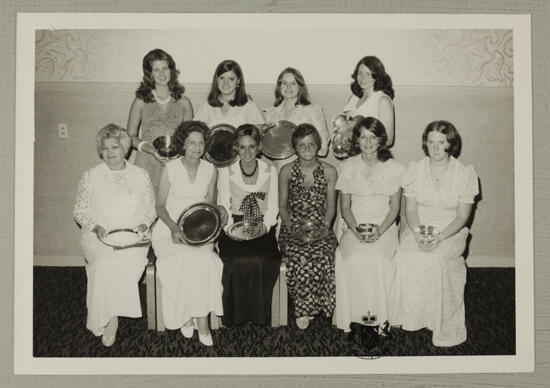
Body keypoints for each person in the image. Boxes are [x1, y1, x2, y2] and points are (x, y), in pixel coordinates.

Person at [389, 120, 479, 347]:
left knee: (437, 260)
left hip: (450, 230)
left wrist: (438, 237)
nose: (435, 148)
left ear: (451, 144)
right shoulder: (415, 170)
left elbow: (462, 217)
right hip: (418, 225)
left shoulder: (465, 173)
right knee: (407, 256)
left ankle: (437, 321)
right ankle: (410, 316)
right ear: (425, 144)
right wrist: (420, 233)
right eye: (431, 142)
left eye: (441, 142)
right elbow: (410, 210)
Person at [73, 124, 156, 347]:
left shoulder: (141, 175)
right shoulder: (91, 176)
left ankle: (113, 311)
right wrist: (96, 227)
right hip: (99, 236)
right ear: (100, 150)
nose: (110, 152)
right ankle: (110, 318)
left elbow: (150, 209)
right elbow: (80, 211)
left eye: (115, 147)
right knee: (104, 264)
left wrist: (143, 224)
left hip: (133, 237)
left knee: (123, 264)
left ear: (126, 149)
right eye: (105, 148)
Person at [151, 121, 223, 347]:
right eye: (192, 142)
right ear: (183, 144)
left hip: (200, 231)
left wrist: (220, 212)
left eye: (201, 143)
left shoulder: (211, 170)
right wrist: (173, 227)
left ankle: (198, 320)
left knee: (204, 259)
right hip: (168, 228)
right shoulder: (170, 168)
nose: (196, 147)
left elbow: (211, 205)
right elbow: (159, 206)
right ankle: (187, 316)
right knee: (187, 259)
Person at [334, 117, 404, 334]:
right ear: (357, 140)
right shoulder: (347, 167)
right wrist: (355, 230)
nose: (367, 142)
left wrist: (379, 232)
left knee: (378, 258)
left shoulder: (394, 169)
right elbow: (345, 208)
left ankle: (380, 318)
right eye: (363, 137)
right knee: (354, 258)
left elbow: (394, 209)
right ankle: (354, 318)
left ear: (381, 139)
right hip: (353, 227)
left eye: (372, 137)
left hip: (384, 226)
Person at [217, 124, 281, 326]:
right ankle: (235, 315)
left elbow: (273, 206)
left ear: (259, 147)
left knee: (260, 259)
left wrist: (263, 226)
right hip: (234, 226)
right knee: (234, 260)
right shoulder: (226, 172)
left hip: (263, 225)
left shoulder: (271, 170)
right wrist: (231, 229)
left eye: (251, 147)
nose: (247, 152)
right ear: (236, 147)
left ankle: (259, 314)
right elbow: (223, 206)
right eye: (242, 147)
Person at [278, 123, 339, 329]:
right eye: (302, 145)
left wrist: (324, 228)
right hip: (292, 226)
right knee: (299, 254)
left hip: (321, 225)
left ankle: (319, 304)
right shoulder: (286, 171)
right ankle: (304, 308)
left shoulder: (330, 171)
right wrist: (291, 228)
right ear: (295, 147)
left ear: (318, 145)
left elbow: (331, 207)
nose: (307, 148)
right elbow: (282, 206)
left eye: (311, 144)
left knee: (323, 253)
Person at [127, 48, 193, 188]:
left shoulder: (184, 102)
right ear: (150, 74)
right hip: (146, 160)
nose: (162, 74)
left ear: (171, 71)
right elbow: (130, 136)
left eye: (165, 68)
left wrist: (177, 155)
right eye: (156, 70)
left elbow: (188, 138)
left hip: (175, 162)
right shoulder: (140, 101)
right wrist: (151, 150)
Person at [264, 67, 330, 170]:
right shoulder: (270, 113)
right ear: (279, 86)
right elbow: (268, 149)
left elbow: (323, 149)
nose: (288, 87)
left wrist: (298, 147)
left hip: (306, 170)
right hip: (279, 171)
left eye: (293, 83)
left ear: (300, 87)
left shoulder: (313, 110)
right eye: (284, 83)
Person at [341, 56, 395, 146]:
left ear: (376, 76)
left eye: (368, 74)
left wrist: (360, 142)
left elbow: (388, 140)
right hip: (353, 155)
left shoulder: (382, 100)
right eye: (360, 73)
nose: (363, 78)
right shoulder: (353, 97)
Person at [195, 59, 265, 128]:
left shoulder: (249, 106)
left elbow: (258, 134)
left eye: (231, 79)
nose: (226, 83)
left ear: (238, 81)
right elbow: (196, 131)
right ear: (216, 80)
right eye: (222, 78)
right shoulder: (206, 106)